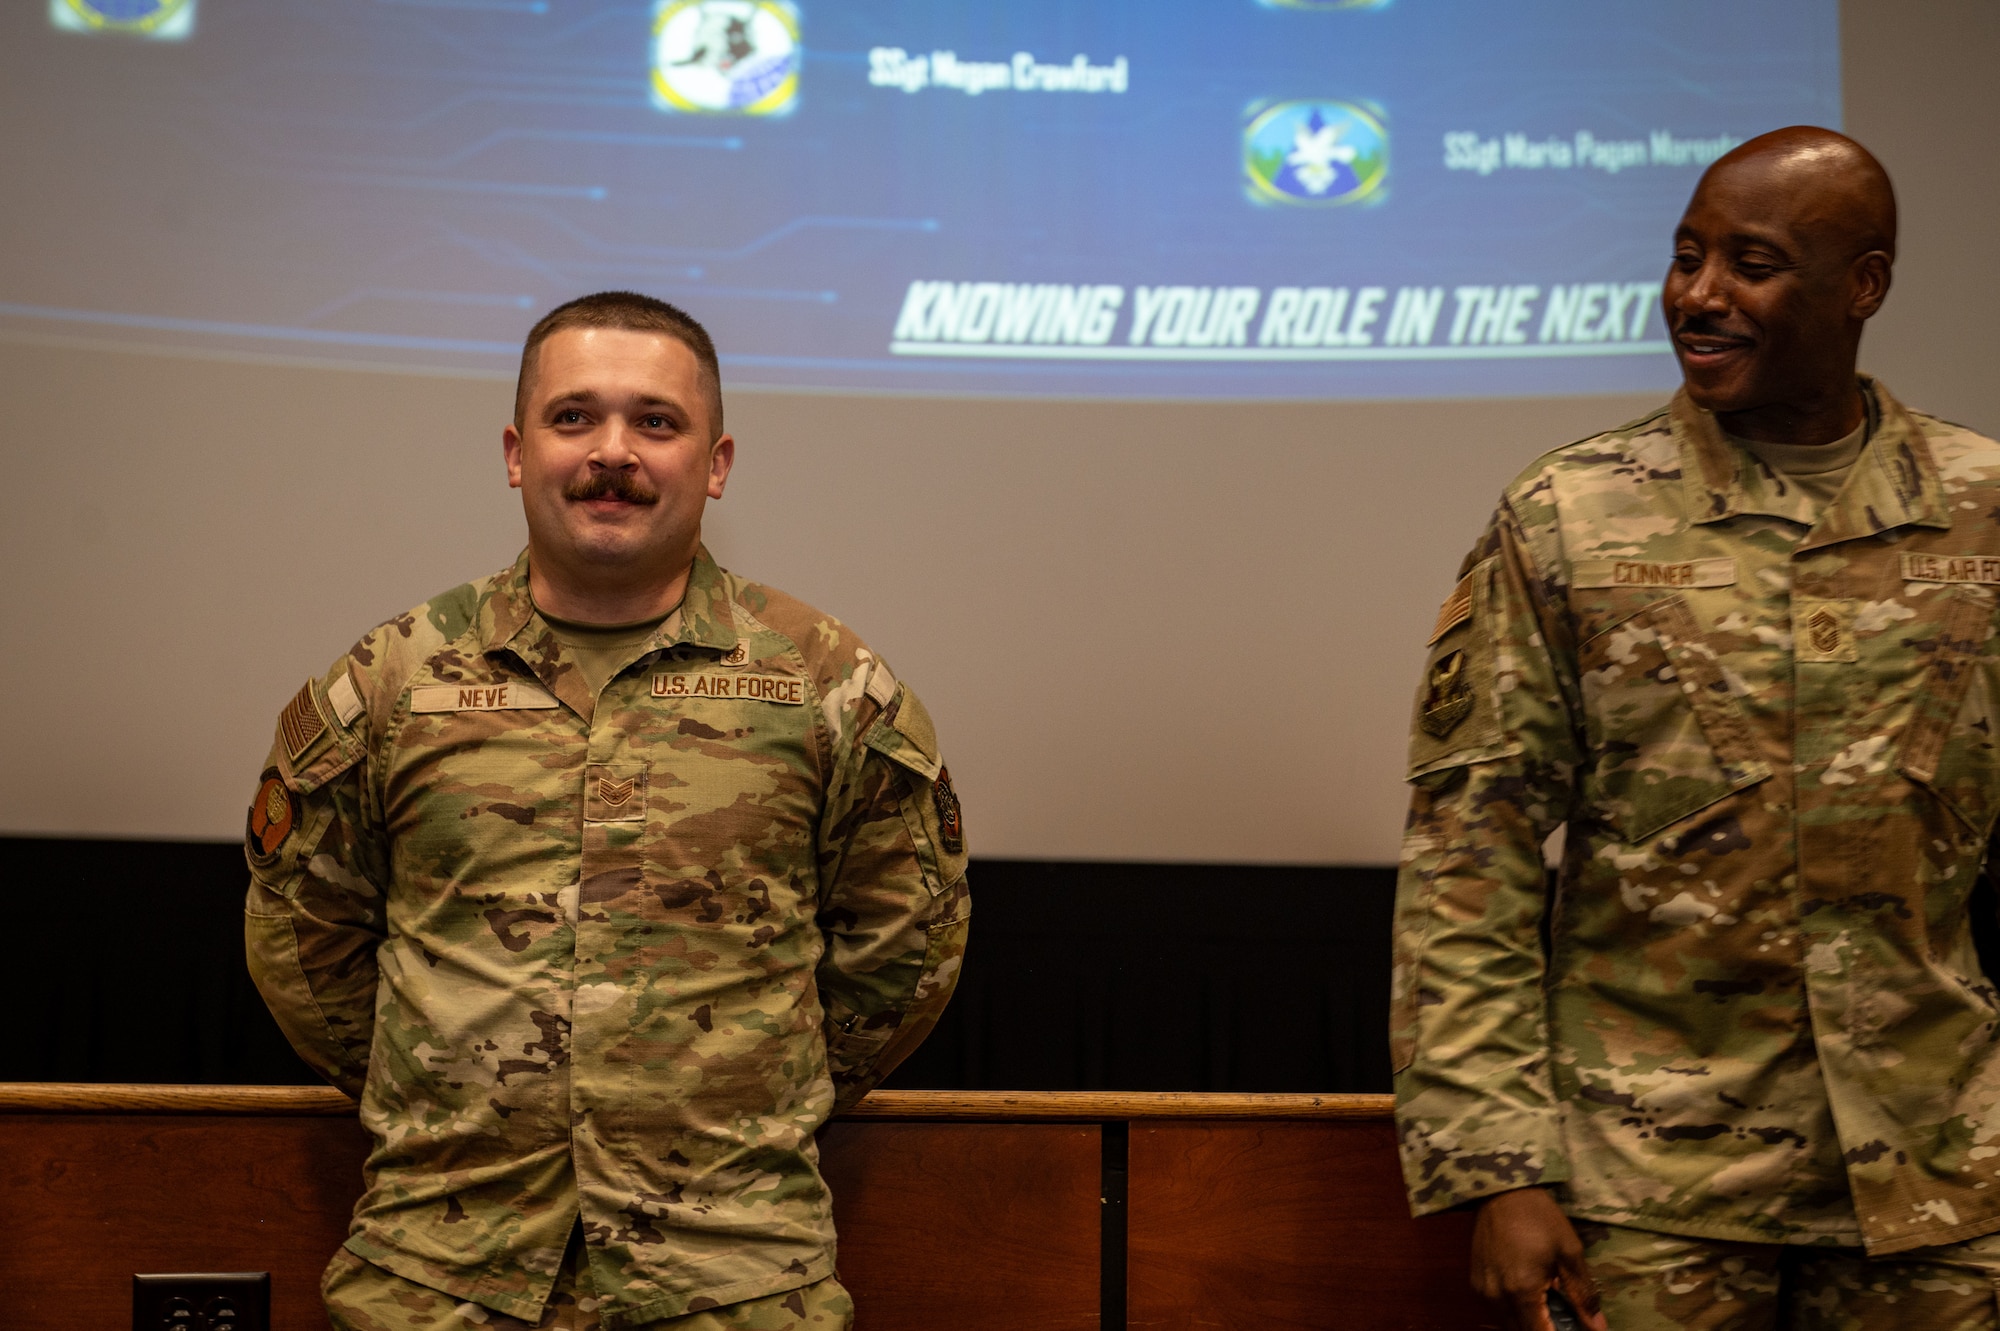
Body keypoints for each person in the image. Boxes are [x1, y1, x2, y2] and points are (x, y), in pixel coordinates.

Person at [244, 291, 970, 1331]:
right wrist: (451, 1082)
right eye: (573, 416)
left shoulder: (825, 681)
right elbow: (301, 933)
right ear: (515, 449)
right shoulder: (395, 678)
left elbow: (908, 942)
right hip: (440, 1274)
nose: (612, 451)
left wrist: (752, 1091)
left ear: (714, 463)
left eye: (656, 422)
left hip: (733, 1278)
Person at [1393, 126, 2000, 1330]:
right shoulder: (1569, 516)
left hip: (1931, 1183)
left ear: (1861, 286)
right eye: (1683, 257)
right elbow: (1471, 862)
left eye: (1750, 263)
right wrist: (1499, 1166)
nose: (1698, 295)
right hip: (1649, 1187)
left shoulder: (1980, 512)